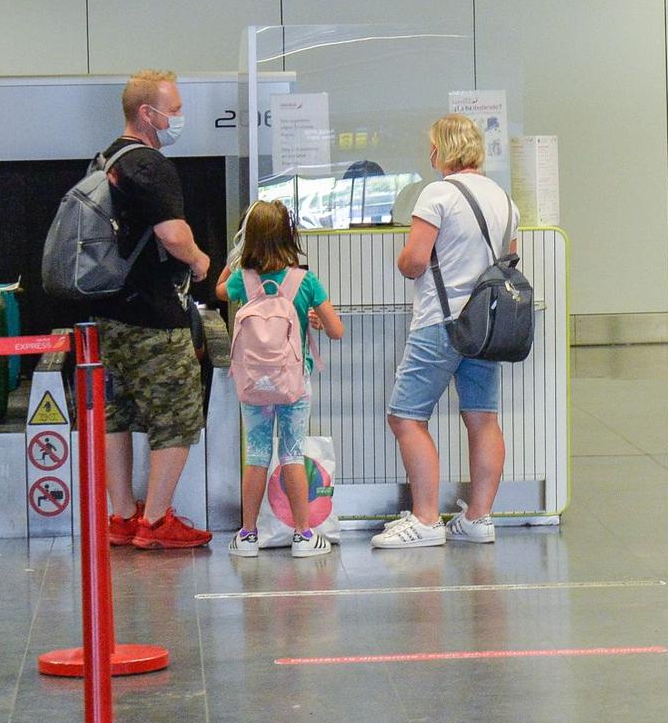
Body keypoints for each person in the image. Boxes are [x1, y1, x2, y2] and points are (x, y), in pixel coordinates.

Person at [372, 114, 518, 550]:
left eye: (433, 146)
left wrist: (402, 261)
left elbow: (415, 260)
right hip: (486, 325)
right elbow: (511, 261)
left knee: (407, 417)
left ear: (443, 149)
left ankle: (426, 519)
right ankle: (478, 517)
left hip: (441, 319)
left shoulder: (436, 193)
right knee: (483, 418)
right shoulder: (503, 199)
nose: (430, 153)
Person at [94, 69, 216, 551]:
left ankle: (122, 516)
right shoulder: (151, 164)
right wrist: (201, 259)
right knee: (179, 414)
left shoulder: (108, 159)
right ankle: (157, 520)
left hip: (109, 313)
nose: (180, 117)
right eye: (176, 108)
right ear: (148, 113)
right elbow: (172, 235)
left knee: (117, 415)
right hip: (151, 315)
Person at [222, 200, 344, 558]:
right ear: (290, 235)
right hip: (294, 385)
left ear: (250, 238)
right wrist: (314, 320)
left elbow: (218, 289)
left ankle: (247, 536)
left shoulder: (242, 280)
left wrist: (238, 252)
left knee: (257, 453)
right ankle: (303, 536)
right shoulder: (304, 281)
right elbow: (337, 330)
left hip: (252, 385)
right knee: (292, 453)